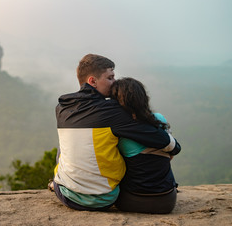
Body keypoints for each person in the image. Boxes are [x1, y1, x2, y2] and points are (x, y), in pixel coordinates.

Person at [51, 54, 177, 211]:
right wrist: (175, 147)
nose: (114, 82)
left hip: (66, 194)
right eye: (110, 78)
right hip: (104, 199)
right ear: (92, 81)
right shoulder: (114, 112)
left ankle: (56, 182)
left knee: (65, 145)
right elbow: (156, 137)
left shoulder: (61, 108)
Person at [111, 77, 181, 214]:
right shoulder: (159, 119)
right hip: (167, 201)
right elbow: (171, 155)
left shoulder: (118, 130)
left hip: (130, 201)